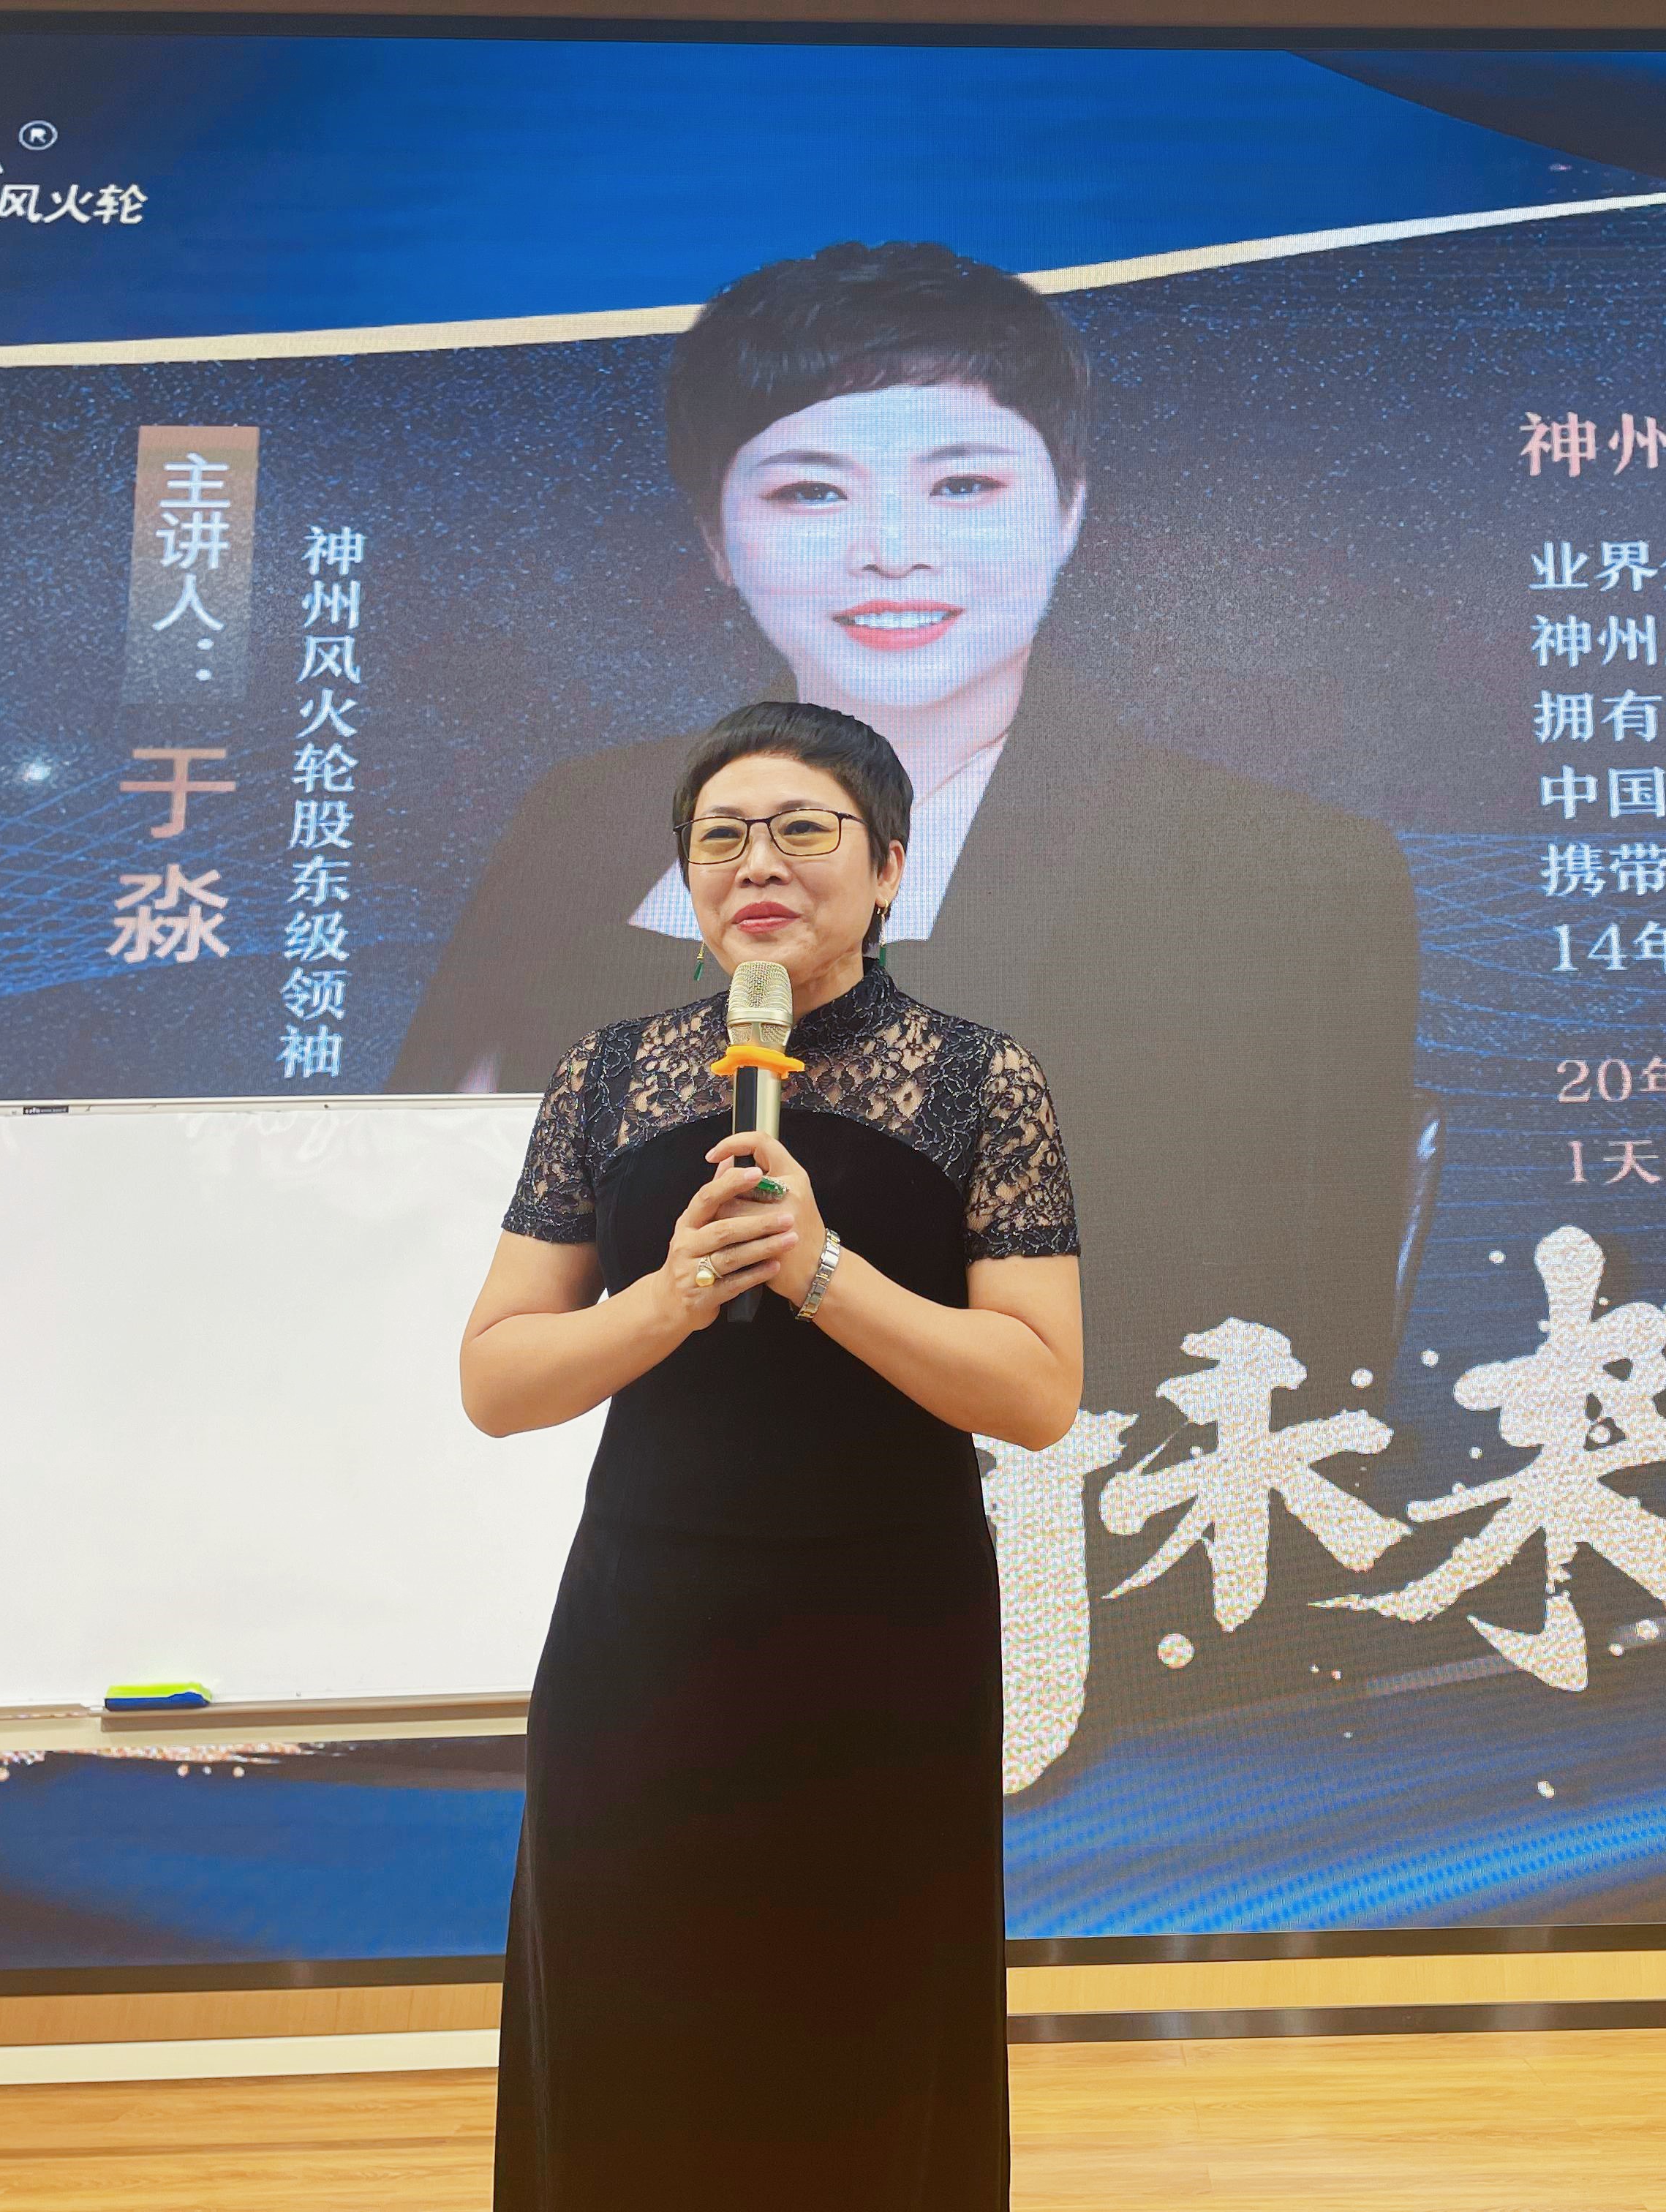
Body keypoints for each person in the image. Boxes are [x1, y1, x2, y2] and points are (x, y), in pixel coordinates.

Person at [393, 241, 1423, 1422]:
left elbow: (1314, 1336)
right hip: (631, 1457)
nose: (892, 549)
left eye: (963, 486)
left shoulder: (1293, 874)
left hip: (1064, 1486)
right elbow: (430, 1193)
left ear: (1070, 508)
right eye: (811, 492)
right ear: (717, 536)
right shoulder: (587, 819)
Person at [459, 700, 1081, 2209]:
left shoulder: (979, 1079)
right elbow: (498, 1378)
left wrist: (822, 1272)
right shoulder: (609, 1075)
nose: (759, 864)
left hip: (889, 1635)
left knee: (862, 2024)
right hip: (646, 1628)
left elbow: (1037, 1391)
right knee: (631, 2016)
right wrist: (672, 1298)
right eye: (720, 836)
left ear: (890, 866)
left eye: (805, 830)